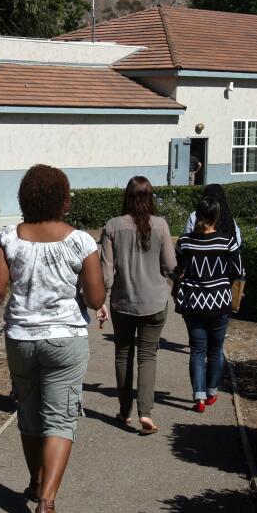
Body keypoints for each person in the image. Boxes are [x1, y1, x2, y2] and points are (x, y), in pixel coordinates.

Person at [0, 164, 105, 513]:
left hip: (21, 340)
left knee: (29, 414)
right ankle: (47, 503)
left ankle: (36, 482)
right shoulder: (81, 242)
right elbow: (95, 297)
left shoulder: (9, 238)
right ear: (64, 201)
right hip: (65, 341)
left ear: (25, 198)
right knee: (60, 419)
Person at [97, 177, 175, 435]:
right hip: (155, 302)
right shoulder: (161, 225)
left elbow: (106, 273)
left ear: (127, 197)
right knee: (148, 356)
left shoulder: (112, 226)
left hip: (123, 302)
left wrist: (102, 301)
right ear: (150, 196)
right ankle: (146, 412)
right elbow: (170, 266)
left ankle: (124, 410)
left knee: (123, 355)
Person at [173, 196, 244, 414]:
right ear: (217, 216)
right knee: (215, 350)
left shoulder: (185, 241)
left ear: (197, 215)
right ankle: (212, 392)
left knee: (197, 350)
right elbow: (239, 271)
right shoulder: (227, 241)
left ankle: (199, 397)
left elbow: (177, 269)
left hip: (193, 302)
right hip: (220, 301)